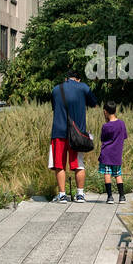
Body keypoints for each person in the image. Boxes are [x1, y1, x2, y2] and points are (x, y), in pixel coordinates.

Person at [49, 71, 97, 203]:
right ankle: (80, 194)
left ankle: (62, 195)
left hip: (59, 132)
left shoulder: (56, 89)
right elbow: (94, 103)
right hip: (77, 134)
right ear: (78, 79)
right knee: (78, 165)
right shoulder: (83, 87)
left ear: (66, 78)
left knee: (59, 164)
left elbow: (54, 107)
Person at [98, 101, 128, 204]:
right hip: (117, 155)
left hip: (106, 154)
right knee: (118, 175)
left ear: (105, 112)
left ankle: (110, 197)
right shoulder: (121, 124)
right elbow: (124, 137)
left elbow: (102, 139)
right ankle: (122, 196)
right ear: (115, 110)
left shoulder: (105, 126)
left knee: (107, 174)